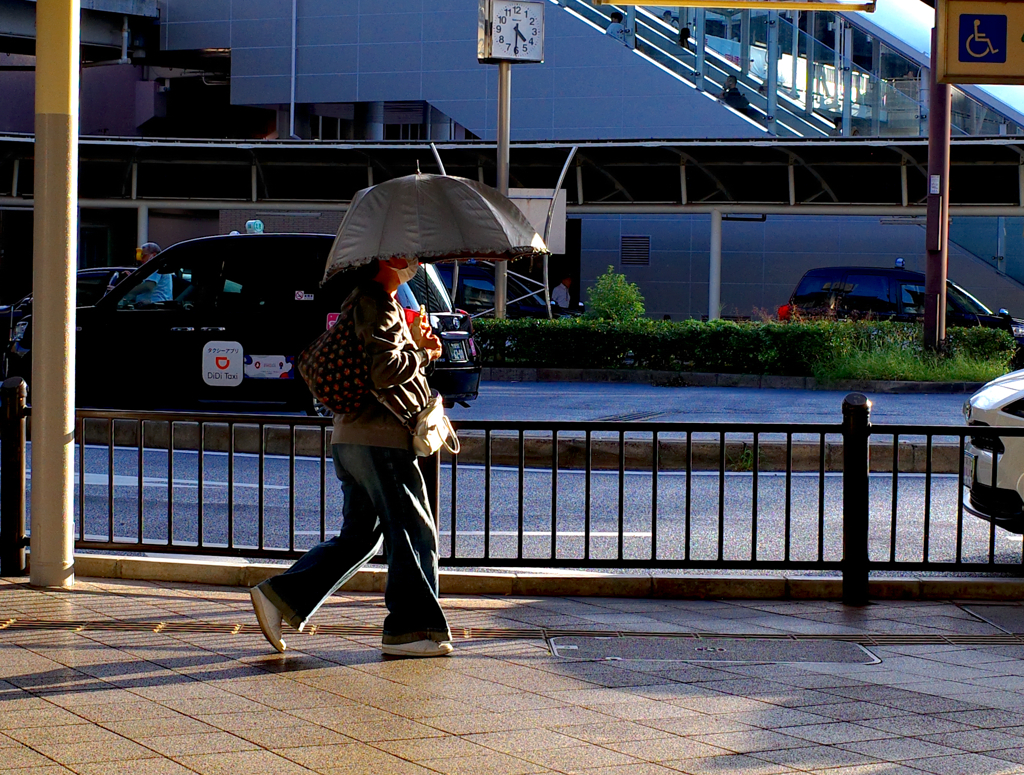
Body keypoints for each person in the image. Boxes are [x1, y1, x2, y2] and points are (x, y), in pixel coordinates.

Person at [250, 255, 454, 659]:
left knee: (361, 537)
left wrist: (413, 338)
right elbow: (386, 371)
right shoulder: (375, 302)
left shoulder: (367, 302)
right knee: (413, 532)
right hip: (379, 440)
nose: (415, 263)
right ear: (392, 258)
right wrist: (423, 351)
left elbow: (375, 365)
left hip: (353, 437)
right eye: (411, 257)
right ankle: (411, 630)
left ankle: (280, 597)